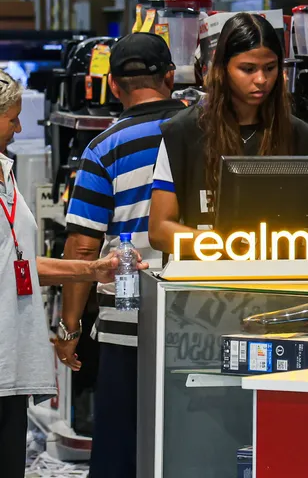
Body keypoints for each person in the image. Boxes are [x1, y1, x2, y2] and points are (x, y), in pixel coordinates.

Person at [0, 72, 147, 478]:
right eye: (11, 118)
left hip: (10, 355)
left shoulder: (5, 171)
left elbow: (19, 263)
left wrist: (92, 268)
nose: (19, 127)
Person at [56, 33, 185, 478]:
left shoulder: (102, 148)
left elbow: (83, 247)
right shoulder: (206, 129)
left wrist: (68, 326)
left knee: (120, 449)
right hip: (201, 311)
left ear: (113, 86)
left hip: (127, 319)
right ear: (171, 77)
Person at [149, 12, 308, 251]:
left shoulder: (303, 136)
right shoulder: (182, 132)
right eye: (248, 69)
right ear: (222, 69)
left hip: (280, 280)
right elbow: (159, 230)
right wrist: (227, 248)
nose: (261, 79)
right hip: (203, 281)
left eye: (270, 68)